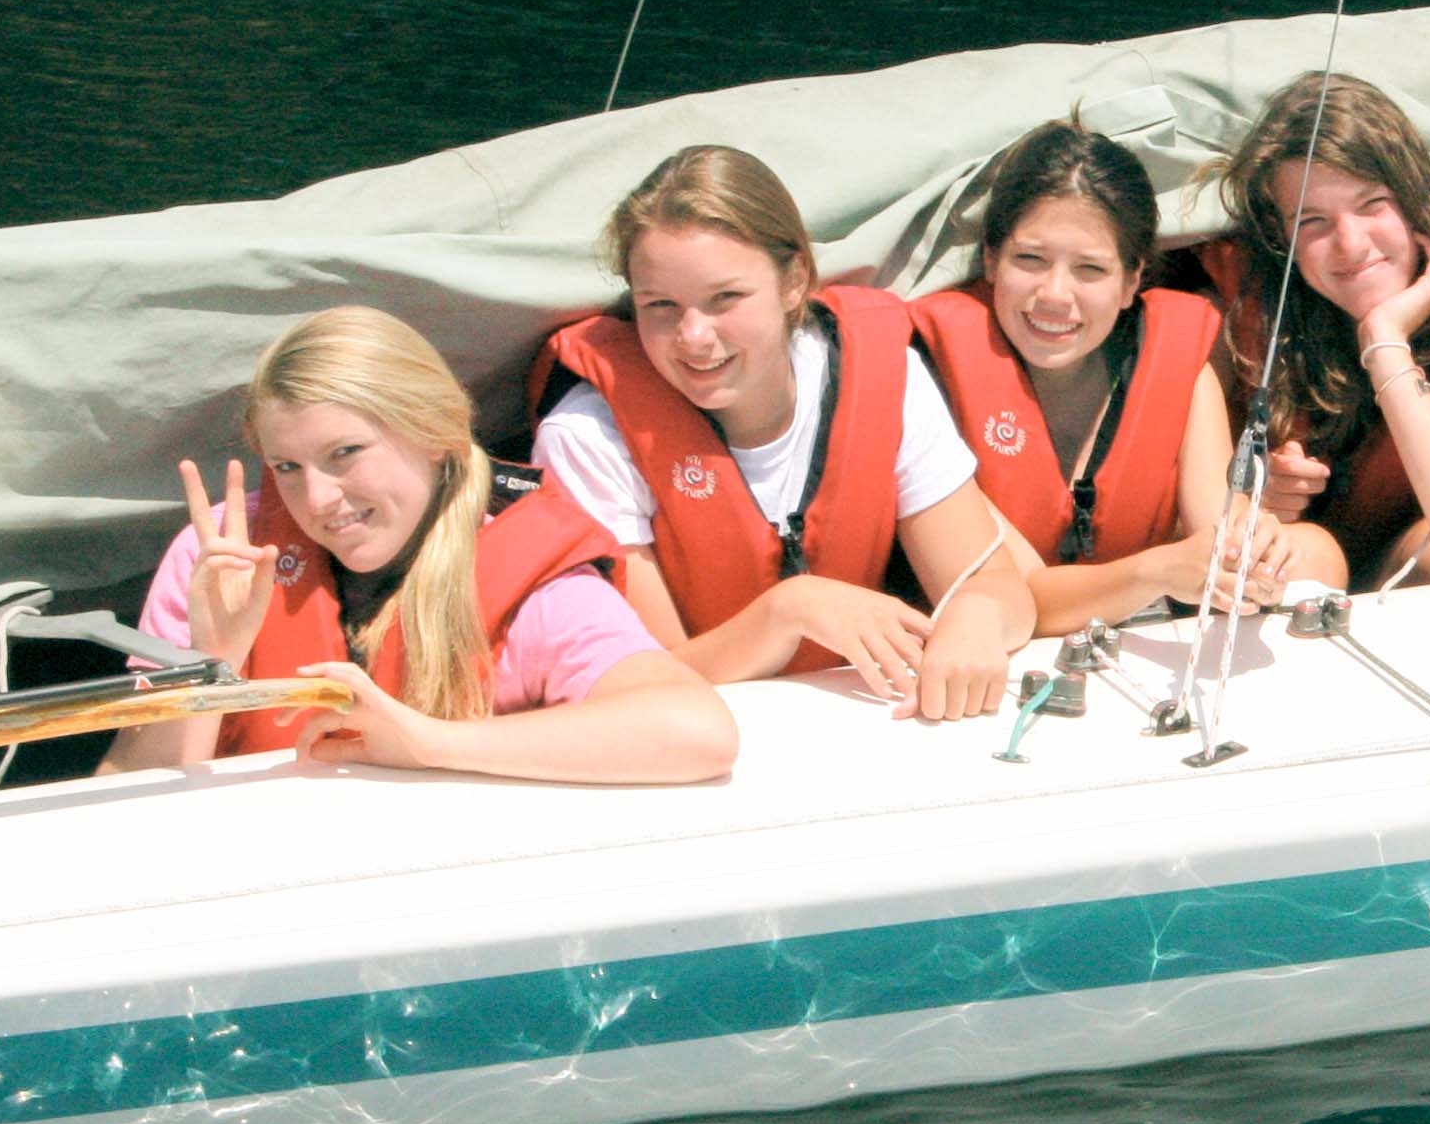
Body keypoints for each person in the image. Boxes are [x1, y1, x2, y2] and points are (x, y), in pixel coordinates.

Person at [101, 307, 736, 781]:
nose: (318, 499)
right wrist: (209, 665)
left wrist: (427, 742)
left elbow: (696, 731)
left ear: (434, 432)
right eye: (287, 466)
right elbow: (124, 790)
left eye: (345, 454)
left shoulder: (536, 588)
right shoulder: (216, 563)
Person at [530, 146, 1032, 720]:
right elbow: (643, 680)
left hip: (874, 717)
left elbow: (1004, 592)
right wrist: (789, 609)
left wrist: (975, 618)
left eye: (726, 298)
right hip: (700, 739)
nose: (693, 336)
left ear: (794, 281)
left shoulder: (887, 379)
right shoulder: (590, 438)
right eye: (661, 306)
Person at [908, 118, 1292, 633]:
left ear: (1132, 279)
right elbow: (1019, 601)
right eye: (1030, 259)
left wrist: (1256, 554)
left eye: (1090, 269)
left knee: (1318, 552)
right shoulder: (927, 381)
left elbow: (1222, 538)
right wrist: (1160, 571)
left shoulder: (1179, 368)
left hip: (1128, 656)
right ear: (991, 260)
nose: (1055, 295)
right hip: (971, 665)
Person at [1199, 72, 1430, 591]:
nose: (1350, 243)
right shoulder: (1232, 323)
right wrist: (1255, 497)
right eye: (1312, 221)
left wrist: (1387, 345)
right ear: (1281, 237)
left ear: (1417, 202)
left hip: (1405, 582)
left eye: (1372, 205)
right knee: (1307, 552)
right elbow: (1181, 530)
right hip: (1283, 582)